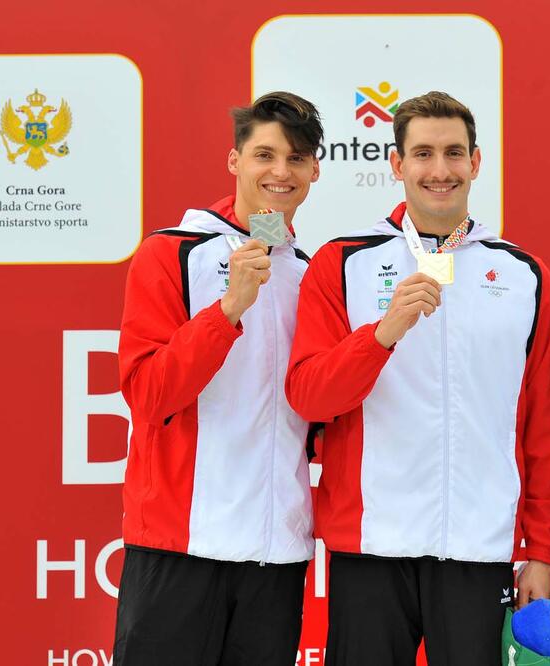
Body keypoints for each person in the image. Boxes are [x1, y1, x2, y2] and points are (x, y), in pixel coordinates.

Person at [285, 91, 550, 666]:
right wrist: (382, 333)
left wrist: (541, 549)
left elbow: (543, 426)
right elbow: (310, 395)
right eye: (422, 154)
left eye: (453, 153)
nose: (439, 171)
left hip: (478, 548)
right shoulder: (344, 263)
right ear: (396, 165)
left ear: (476, 162)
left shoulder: (522, 275)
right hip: (370, 546)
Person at [113, 91, 323, 666]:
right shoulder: (170, 254)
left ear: (315, 171)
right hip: (180, 547)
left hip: (274, 554)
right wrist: (228, 309)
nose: (280, 172)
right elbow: (150, 396)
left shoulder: (313, 275)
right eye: (264, 155)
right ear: (235, 161)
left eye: (297, 158)